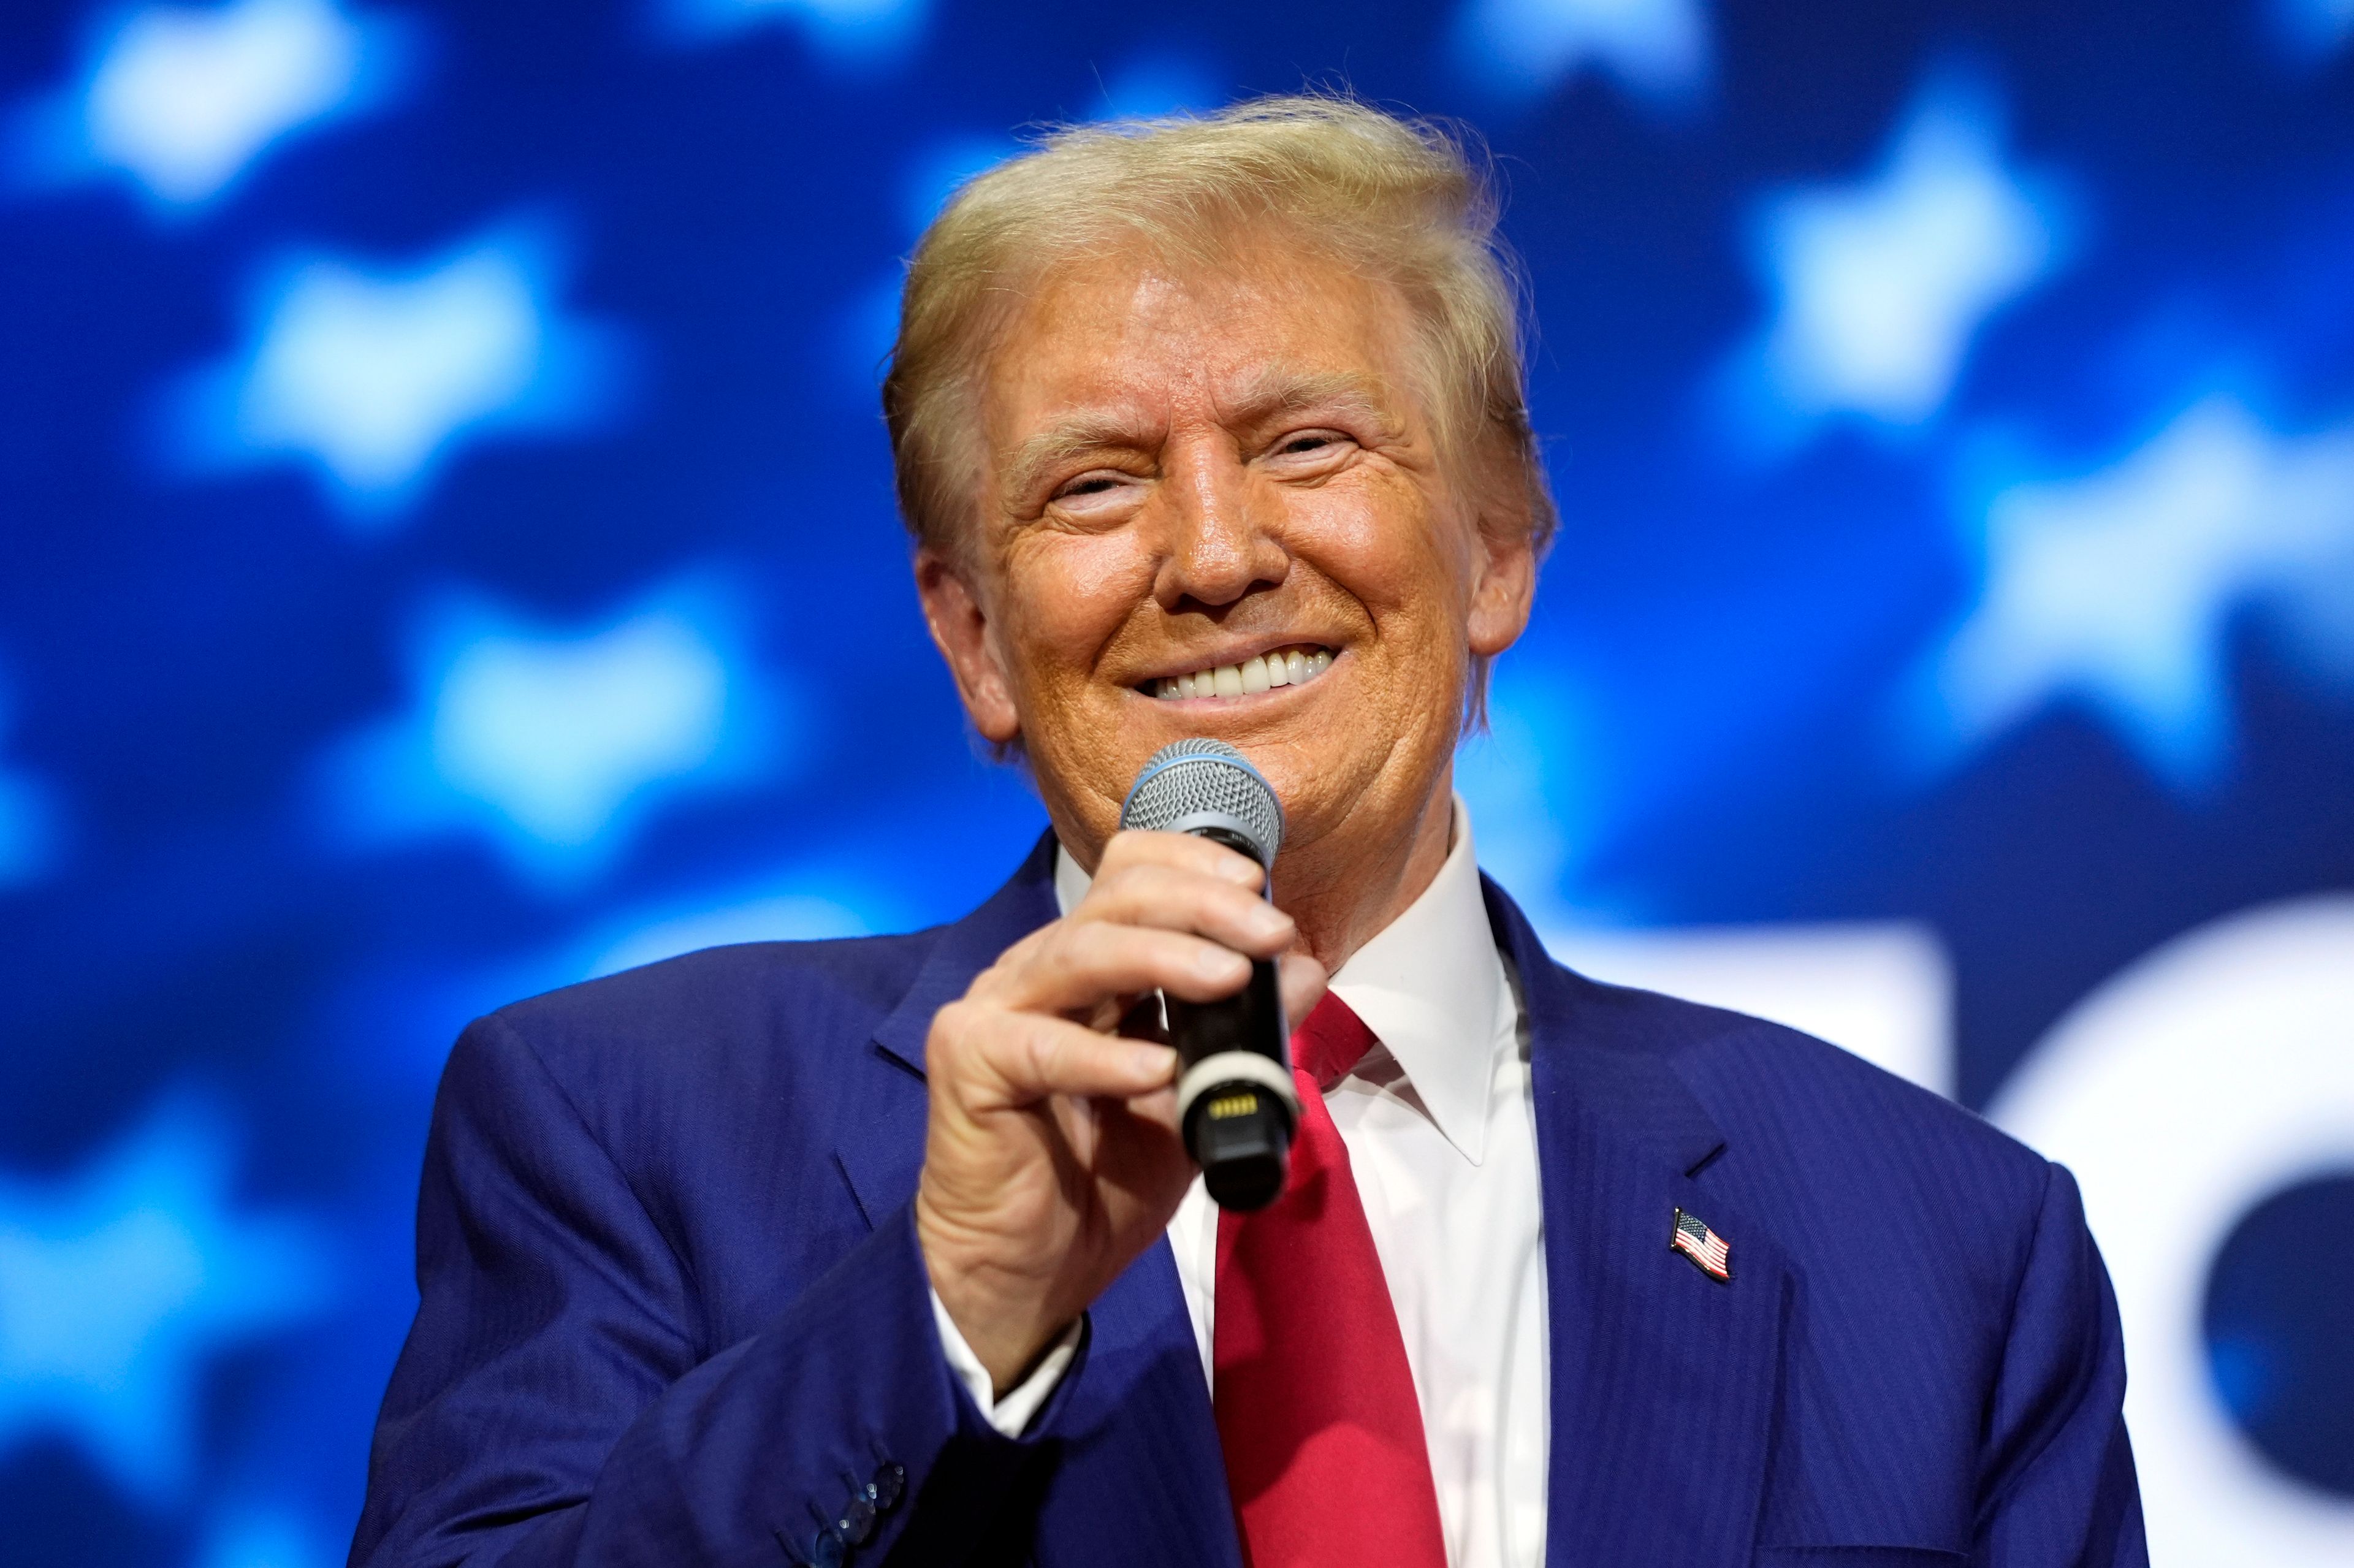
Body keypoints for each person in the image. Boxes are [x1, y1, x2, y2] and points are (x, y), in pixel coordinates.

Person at [349, 96, 2147, 1568]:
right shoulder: (626, 1127)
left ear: (1499, 550)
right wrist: (952, 1300)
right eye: (1098, 483)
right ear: (975, 637)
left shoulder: (1941, 1243)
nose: (1213, 559)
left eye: (1306, 446)